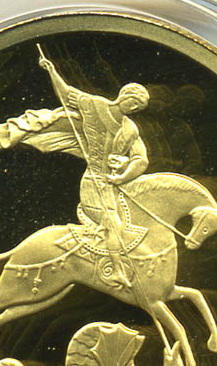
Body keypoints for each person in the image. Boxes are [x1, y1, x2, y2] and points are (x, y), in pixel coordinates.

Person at [39, 56, 150, 288]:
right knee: (114, 225)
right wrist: (51, 70)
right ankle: (116, 270)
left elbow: (141, 160)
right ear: (124, 95)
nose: (134, 109)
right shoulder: (95, 105)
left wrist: (123, 172)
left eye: (138, 108)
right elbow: (66, 94)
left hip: (112, 185)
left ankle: (101, 254)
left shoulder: (130, 129)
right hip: (92, 181)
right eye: (134, 103)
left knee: (129, 223)